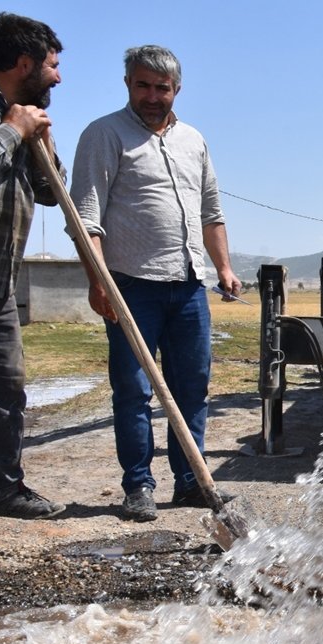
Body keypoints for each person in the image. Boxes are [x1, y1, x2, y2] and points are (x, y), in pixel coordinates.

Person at [69, 45, 241, 522]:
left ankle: (190, 483)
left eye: (161, 88)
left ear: (176, 90)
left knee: (192, 388)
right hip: (131, 286)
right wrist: (97, 281)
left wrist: (223, 267)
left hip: (188, 286)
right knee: (133, 389)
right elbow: (87, 218)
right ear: (128, 84)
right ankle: (139, 486)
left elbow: (212, 214)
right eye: (142, 85)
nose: (151, 95)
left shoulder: (194, 140)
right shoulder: (105, 134)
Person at [0, 13, 65, 519]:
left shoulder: (21, 112)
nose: (58, 77)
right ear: (25, 62)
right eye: (53, 66)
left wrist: (42, 144)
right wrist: (12, 131)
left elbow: (54, 196)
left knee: (5, 389)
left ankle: (1, 488)